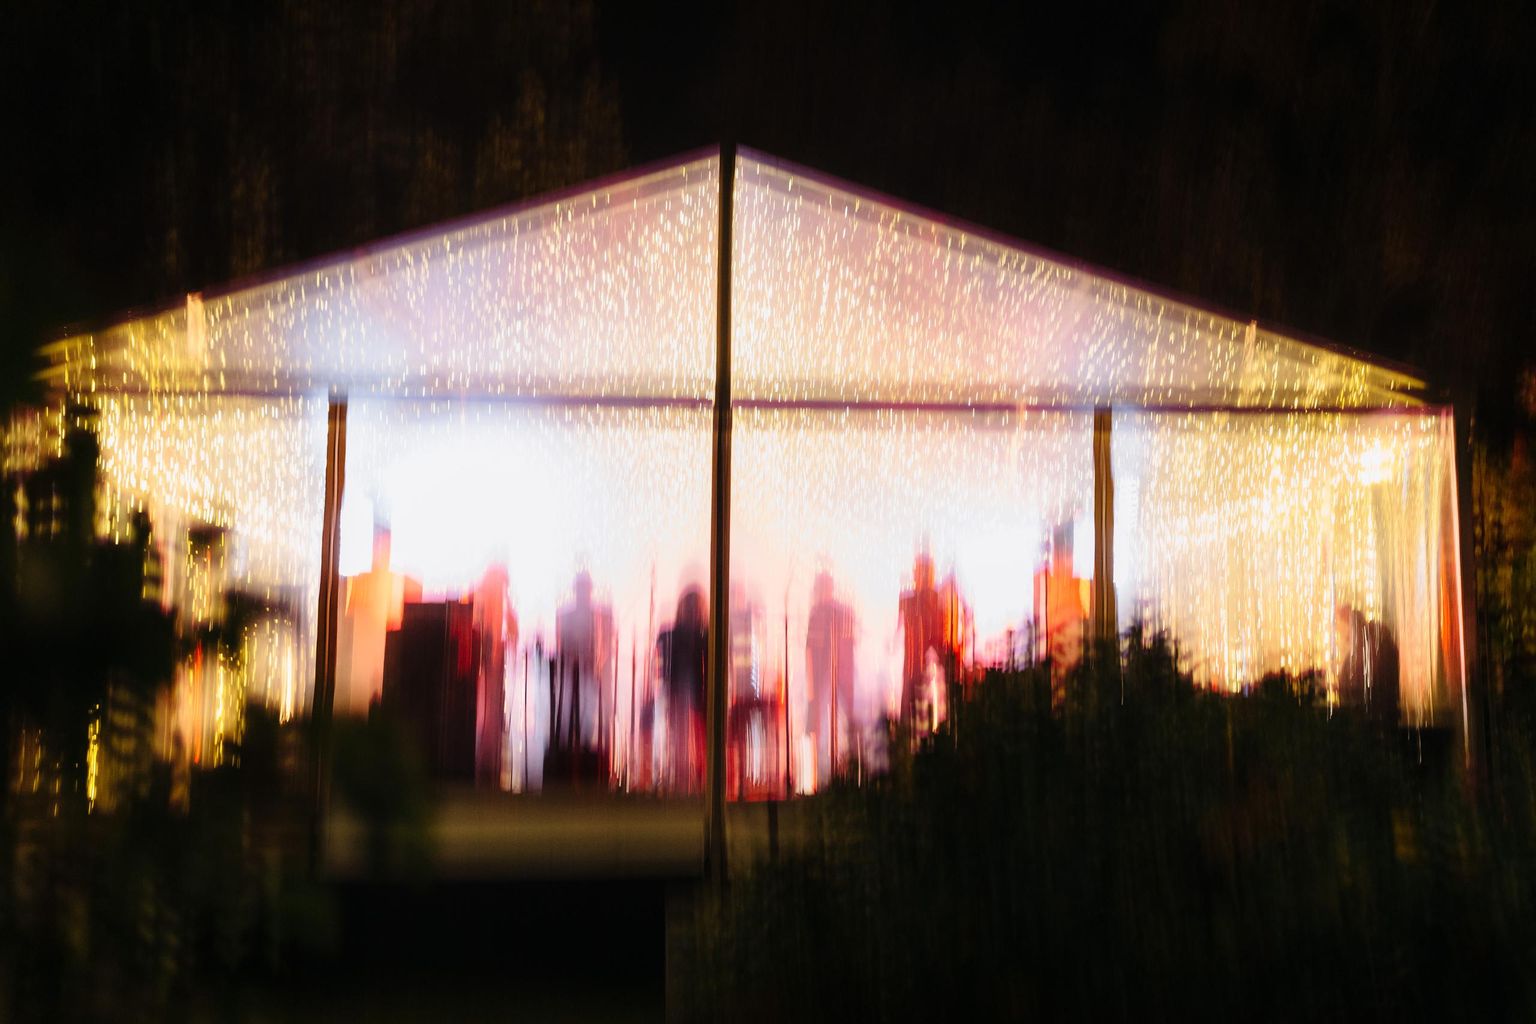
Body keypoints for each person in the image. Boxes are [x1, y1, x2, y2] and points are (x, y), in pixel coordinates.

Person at [806, 570, 856, 781]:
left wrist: (812, 688)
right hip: (833, 678)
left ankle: (839, 771)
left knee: (834, 722)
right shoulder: (823, 612)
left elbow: (811, 651)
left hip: (835, 677)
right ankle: (828, 773)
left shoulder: (825, 612)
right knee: (825, 724)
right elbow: (810, 651)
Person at [657, 587, 708, 791]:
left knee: (686, 741)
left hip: (690, 698)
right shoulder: (702, 636)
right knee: (686, 741)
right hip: (687, 697)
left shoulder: (672, 635)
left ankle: (688, 781)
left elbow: (663, 668)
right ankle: (690, 781)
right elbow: (663, 668)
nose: (693, 612)